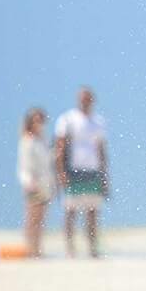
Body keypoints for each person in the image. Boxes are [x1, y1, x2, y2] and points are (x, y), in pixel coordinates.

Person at [54, 87, 109, 258]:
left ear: (93, 100)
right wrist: (61, 171)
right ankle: (70, 249)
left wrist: (105, 175)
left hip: (93, 170)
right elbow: (60, 147)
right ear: (78, 99)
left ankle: (93, 248)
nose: (85, 101)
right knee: (71, 211)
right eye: (83, 98)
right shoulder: (68, 119)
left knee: (92, 211)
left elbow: (101, 149)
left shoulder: (98, 121)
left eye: (88, 98)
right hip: (73, 170)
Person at [16, 107, 54, 257]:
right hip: (33, 184)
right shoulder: (27, 141)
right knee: (32, 218)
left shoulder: (41, 140)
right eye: (36, 121)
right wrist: (28, 182)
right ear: (30, 123)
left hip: (44, 184)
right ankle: (30, 249)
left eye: (41, 120)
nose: (40, 124)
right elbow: (23, 165)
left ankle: (37, 249)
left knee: (41, 218)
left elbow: (47, 163)